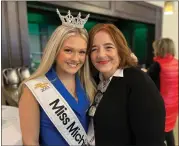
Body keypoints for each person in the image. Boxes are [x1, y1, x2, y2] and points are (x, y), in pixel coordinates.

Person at [18, 9, 96, 146]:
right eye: (68, 50)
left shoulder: (86, 84)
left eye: (82, 52)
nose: (75, 58)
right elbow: (30, 142)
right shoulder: (33, 90)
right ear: (55, 51)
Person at [87, 23, 166, 146]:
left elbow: (152, 139)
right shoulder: (95, 79)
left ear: (120, 49)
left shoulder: (138, 81)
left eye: (108, 47)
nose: (101, 54)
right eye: (94, 49)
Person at [144, 38, 178, 146]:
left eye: (155, 49)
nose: (154, 51)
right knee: (169, 131)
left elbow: (147, 82)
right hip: (173, 105)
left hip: (160, 106)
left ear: (160, 49)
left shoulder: (157, 65)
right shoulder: (177, 64)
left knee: (158, 133)